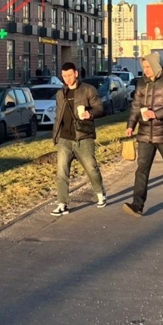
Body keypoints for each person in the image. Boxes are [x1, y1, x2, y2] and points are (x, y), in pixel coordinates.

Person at [124, 51, 163, 216]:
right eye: (144, 67)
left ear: (155, 66)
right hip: (144, 134)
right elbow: (136, 106)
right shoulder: (141, 83)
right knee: (141, 170)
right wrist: (131, 125)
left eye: (148, 67)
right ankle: (137, 205)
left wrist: (156, 114)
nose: (146, 70)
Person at [50, 62, 106, 215]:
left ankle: (100, 193)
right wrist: (55, 135)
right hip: (65, 138)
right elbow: (58, 116)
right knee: (61, 172)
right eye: (64, 76)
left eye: (69, 75)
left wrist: (90, 114)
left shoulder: (88, 90)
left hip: (83, 136)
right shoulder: (60, 93)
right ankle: (62, 203)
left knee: (91, 168)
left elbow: (100, 108)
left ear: (76, 73)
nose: (67, 79)